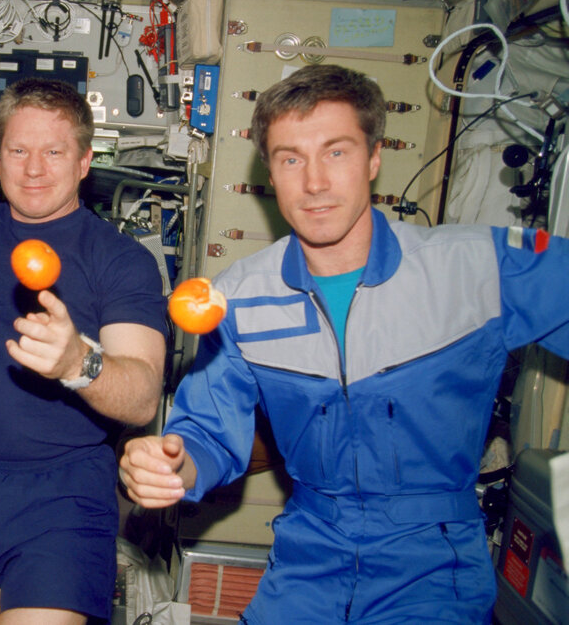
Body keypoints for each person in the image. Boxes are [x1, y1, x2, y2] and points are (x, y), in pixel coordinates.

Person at [119, 64, 569, 623]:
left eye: (336, 152)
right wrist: (171, 467)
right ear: (270, 172)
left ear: (374, 157)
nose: (314, 182)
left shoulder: (476, 268)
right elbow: (208, 434)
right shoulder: (238, 297)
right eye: (290, 158)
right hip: (309, 558)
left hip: (432, 562)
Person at [0, 77, 168, 624]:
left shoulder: (121, 260)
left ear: (83, 162)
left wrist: (79, 362)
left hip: (64, 498)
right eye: (18, 150)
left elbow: (143, 396)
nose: (33, 168)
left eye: (53, 152)